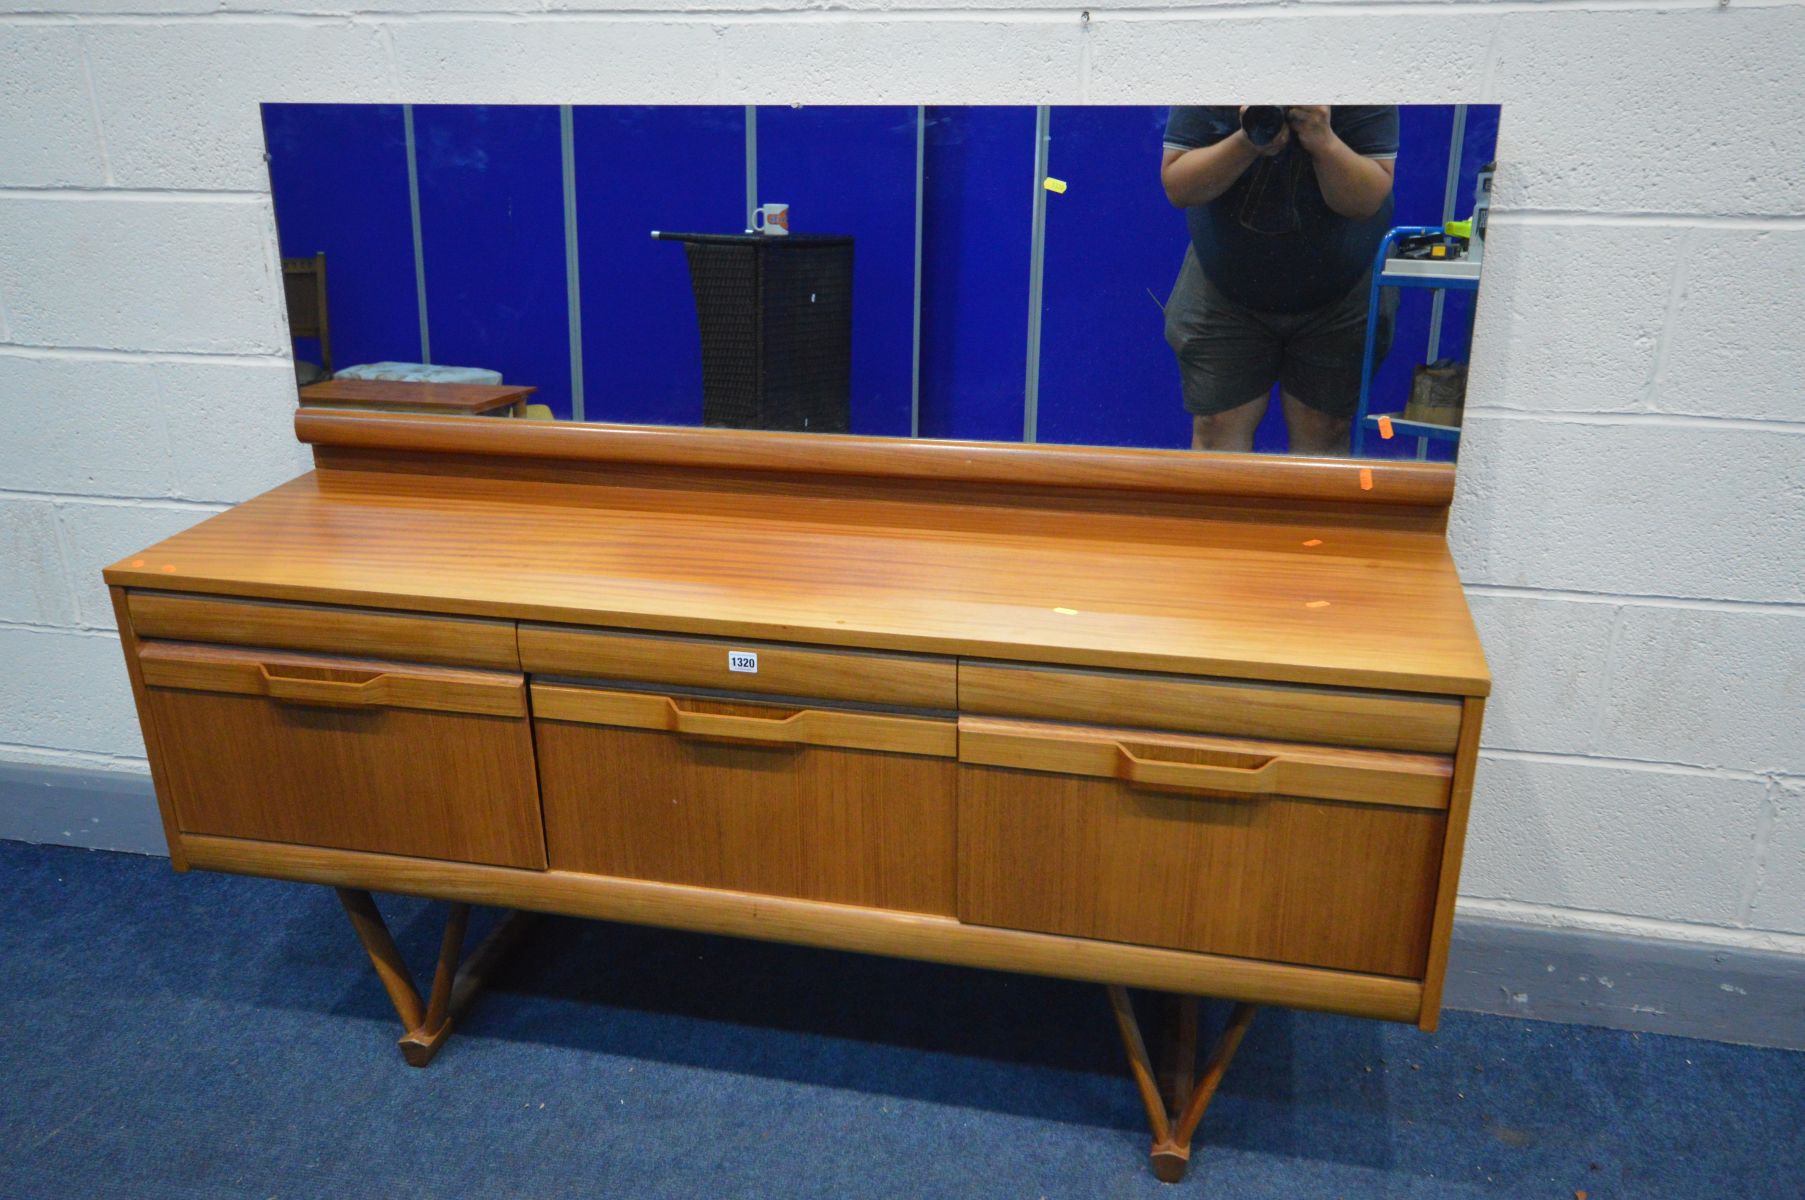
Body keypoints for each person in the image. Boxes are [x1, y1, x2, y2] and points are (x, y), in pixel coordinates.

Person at [1161, 105, 1399, 455]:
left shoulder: (1359, 73)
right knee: (1216, 429)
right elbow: (1179, 188)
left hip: (1341, 286)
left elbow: (1364, 202)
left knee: (1326, 430)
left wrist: (1324, 141)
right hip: (1225, 282)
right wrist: (1247, 140)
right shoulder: (1216, 63)